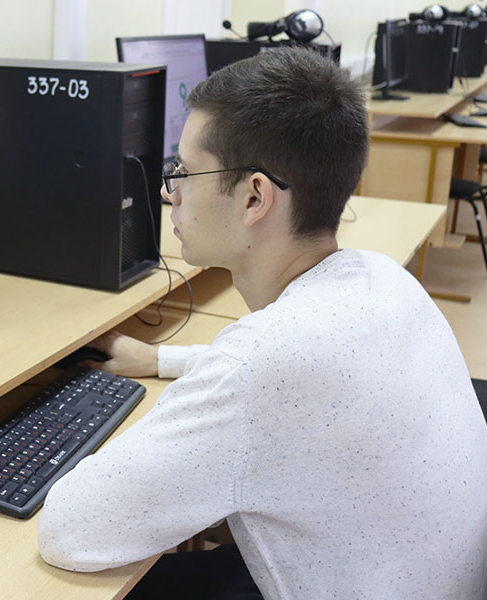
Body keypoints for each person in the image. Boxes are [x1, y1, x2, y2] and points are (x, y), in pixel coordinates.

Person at [37, 47, 487, 599]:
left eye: (184, 172)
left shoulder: (262, 366)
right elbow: (294, 379)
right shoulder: (383, 278)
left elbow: (69, 533)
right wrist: (159, 359)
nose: (168, 191)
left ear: (254, 196)